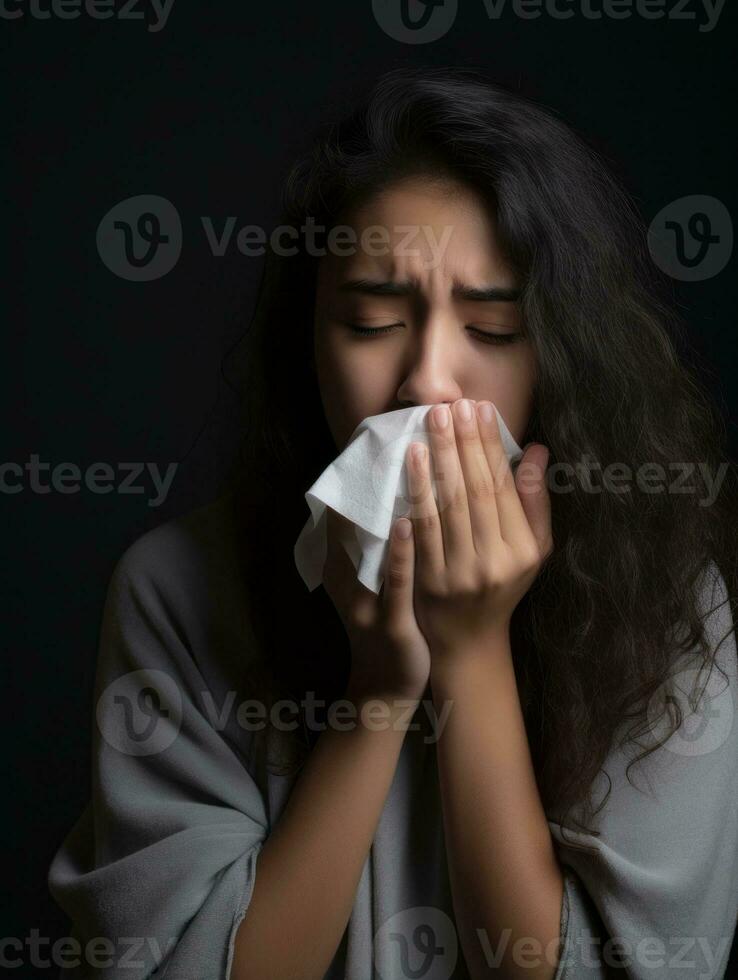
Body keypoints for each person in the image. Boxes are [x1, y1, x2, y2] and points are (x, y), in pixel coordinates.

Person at [48, 66, 738, 980]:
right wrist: (380, 685)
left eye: (492, 332)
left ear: (564, 360)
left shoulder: (670, 603)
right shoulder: (177, 588)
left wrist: (469, 655)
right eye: (373, 321)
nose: (427, 383)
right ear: (311, 345)